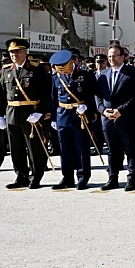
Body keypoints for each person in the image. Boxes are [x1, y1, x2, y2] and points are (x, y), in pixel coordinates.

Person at [0, 38, 52, 189]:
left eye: (17, 52)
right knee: (16, 148)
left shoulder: (36, 69)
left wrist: (40, 112)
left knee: (33, 147)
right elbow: (0, 94)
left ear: (25, 52)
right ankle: (21, 176)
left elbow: (46, 93)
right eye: (12, 52)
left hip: (30, 113)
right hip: (12, 113)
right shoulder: (7, 70)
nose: (14, 55)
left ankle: (36, 176)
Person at [95, 44, 135, 191]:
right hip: (108, 119)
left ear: (122, 57)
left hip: (127, 118)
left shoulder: (133, 73)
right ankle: (113, 177)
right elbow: (98, 96)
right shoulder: (103, 74)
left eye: (114, 56)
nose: (111, 59)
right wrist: (103, 110)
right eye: (109, 56)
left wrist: (120, 111)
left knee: (131, 149)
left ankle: (131, 178)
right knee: (112, 150)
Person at [49, 50, 98, 190]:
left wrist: (88, 108)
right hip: (62, 115)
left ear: (71, 62)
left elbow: (92, 95)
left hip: (80, 116)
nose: (63, 71)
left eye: (64, 67)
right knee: (65, 149)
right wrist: (53, 117)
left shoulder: (86, 75)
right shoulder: (56, 77)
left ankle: (83, 177)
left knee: (81, 148)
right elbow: (53, 99)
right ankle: (67, 177)